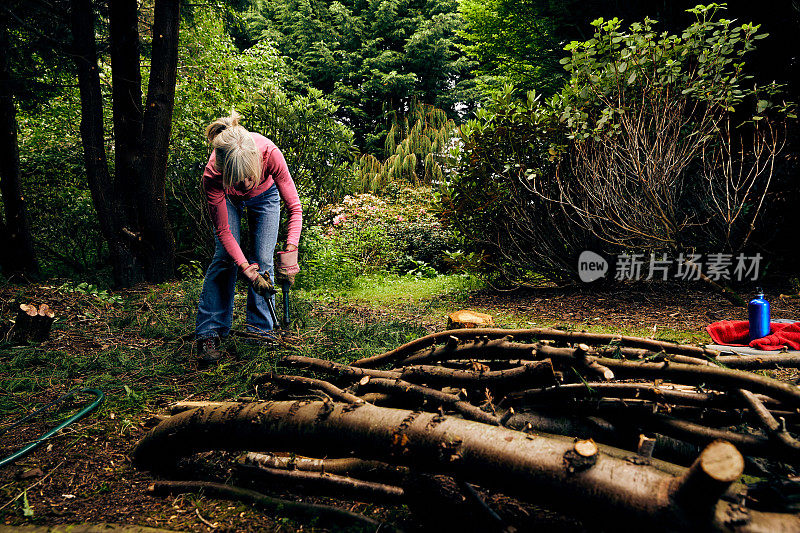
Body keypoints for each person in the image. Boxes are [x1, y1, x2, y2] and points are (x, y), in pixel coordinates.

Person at [194, 110, 302, 365]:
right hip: (227, 201)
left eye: (248, 177)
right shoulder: (213, 174)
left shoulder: (269, 153)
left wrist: (290, 255)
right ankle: (209, 332)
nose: (244, 184)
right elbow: (224, 231)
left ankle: (261, 331)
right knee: (224, 258)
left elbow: (294, 208)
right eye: (237, 179)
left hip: (266, 197)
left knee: (263, 260)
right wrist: (246, 270)